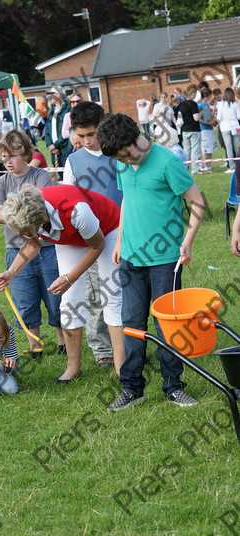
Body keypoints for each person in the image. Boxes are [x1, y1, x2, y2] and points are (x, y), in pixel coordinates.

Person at [97, 113, 206, 410]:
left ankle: (174, 387)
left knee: (167, 326)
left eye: (127, 153)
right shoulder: (122, 161)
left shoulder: (168, 162)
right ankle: (132, 389)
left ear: (135, 137)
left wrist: (188, 240)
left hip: (165, 260)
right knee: (132, 324)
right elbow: (127, 201)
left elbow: (197, 201)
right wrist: (120, 241)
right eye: (120, 158)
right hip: (131, 258)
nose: (126, 161)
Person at [0, 184, 124, 383]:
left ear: (41, 220)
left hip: (107, 230)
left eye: (23, 230)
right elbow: (33, 243)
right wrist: (12, 272)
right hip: (72, 237)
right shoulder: (31, 213)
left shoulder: (76, 211)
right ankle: (73, 368)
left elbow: (97, 245)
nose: (19, 234)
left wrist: (71, 278)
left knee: (111, 295)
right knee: (69, 303)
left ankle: (122, 367)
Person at [0, 129, 65, 354]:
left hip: (48, 247)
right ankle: (36, 346)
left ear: (25, 154)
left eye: (13, 155)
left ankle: (63, 343)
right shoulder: (1, 183)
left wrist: (12, 212)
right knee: (25, 300)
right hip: (16, 248)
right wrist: (22, 212)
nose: (8, 162)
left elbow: (42, 210)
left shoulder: (40, 176)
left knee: (55, 297)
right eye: (4, 157)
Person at [64, 101, 123, 370]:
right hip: (91, 237)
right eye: (81, 134)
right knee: (95, 294)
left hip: (124, 230)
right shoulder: (73, 161)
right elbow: (68, 199)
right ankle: (102, 350)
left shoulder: (120, 152)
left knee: (125, 292)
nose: (87, 140)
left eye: (92, 134)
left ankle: (130, 344)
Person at [177, 85, 201, 176]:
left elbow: (179, 117)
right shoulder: (193, 104)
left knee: (186, 150)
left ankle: (185, 168)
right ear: (193, 93)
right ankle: (195, 169)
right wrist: (200, 113)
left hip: (185, 130)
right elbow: (196, 118)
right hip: (194, 129)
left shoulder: (182, 104)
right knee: (195, 149)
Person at [45, 88, 70, 170]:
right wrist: (49, 145)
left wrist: (55, 146)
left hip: (65, 150)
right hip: (54, 151)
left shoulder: (68, 110)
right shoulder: (51, 112)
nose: (49, 97)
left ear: (58, 95)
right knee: (58, 176)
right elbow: (47, 131)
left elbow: (68, 131)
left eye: (51, 95)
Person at [216, 87, 240, 173]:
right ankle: (238, 165)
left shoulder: (221, 104)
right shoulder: (235, 103)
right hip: (235, 126)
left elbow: (219, 117)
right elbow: (239, 116)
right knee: (236, 147)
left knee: (228, 147)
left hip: (225, 127)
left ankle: (231, 166)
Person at [198, 87, 217, 173]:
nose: (210, 98)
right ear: (205, 95)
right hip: (204, 129)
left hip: (209, 129)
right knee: (205, 148)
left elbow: (209, 117)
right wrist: (208, 123)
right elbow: (199, 119)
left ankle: (209, 166)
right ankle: (206, 166)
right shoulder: (201, 105)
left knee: (210, 147)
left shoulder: (206, 105)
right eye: (209, 96)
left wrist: (215, 107)